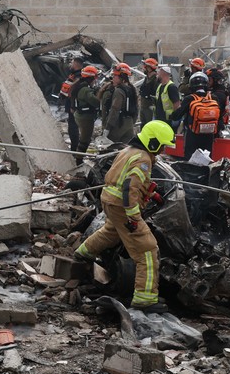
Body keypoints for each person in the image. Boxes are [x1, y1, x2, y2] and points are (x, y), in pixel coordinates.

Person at [73, 120, 176, 309]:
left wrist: (151, 193)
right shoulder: (143, 159)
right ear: (153, 142)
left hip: (110, 201)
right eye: (162, 146)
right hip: (123, 206)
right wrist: (133, 217)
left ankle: (82, 253)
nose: (162, 150)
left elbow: (124, 180)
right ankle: (145, 298)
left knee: (111, 232)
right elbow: (129, 187)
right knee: (147, 249)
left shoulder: (129, 150)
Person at [176, 72, 220, 160]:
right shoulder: (213, 98)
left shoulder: (189, 98)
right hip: (209, 134)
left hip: (192, 134)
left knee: (190, 157)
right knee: (207, 158)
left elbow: (178, 114)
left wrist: (171, 116)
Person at [102, 63, 138, 144]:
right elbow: (136, 108)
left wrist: (107, 128)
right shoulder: (132, 89)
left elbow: (115, 110)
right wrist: (132, 123)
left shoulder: (119, 91)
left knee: (109, 148)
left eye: (115, 76)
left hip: (119, 124)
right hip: (129, 124)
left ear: (122, 77)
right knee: (125, 150)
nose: (113, 78)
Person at [72, 65, 100, 153]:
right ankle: (79, 160)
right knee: (85, 140)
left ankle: (79, 158)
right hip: (85, 118)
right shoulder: (86, 90)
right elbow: (96, 102)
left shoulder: (81, 86)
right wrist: (100, 92)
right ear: (91, 78)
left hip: (81, 116)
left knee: (85, 139)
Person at [61, 57, 86, 149]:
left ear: (76, 64)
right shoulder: (74, 75)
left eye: (72, 62)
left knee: (73, 128)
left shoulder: (79, 77)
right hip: (71, 105)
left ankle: (74, 149)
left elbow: (74, 93)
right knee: (71, 127)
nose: (70, 64)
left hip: (74, 106)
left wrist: (72, 106)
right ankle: (74, 146)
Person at [138, 57, 159, 124]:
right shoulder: (147, 78)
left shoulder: (156, 80)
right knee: (143, 126)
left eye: (146, 66)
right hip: (143, 106)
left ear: (150, 68)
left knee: (149, 126)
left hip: (150, 107)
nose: (144, 68)